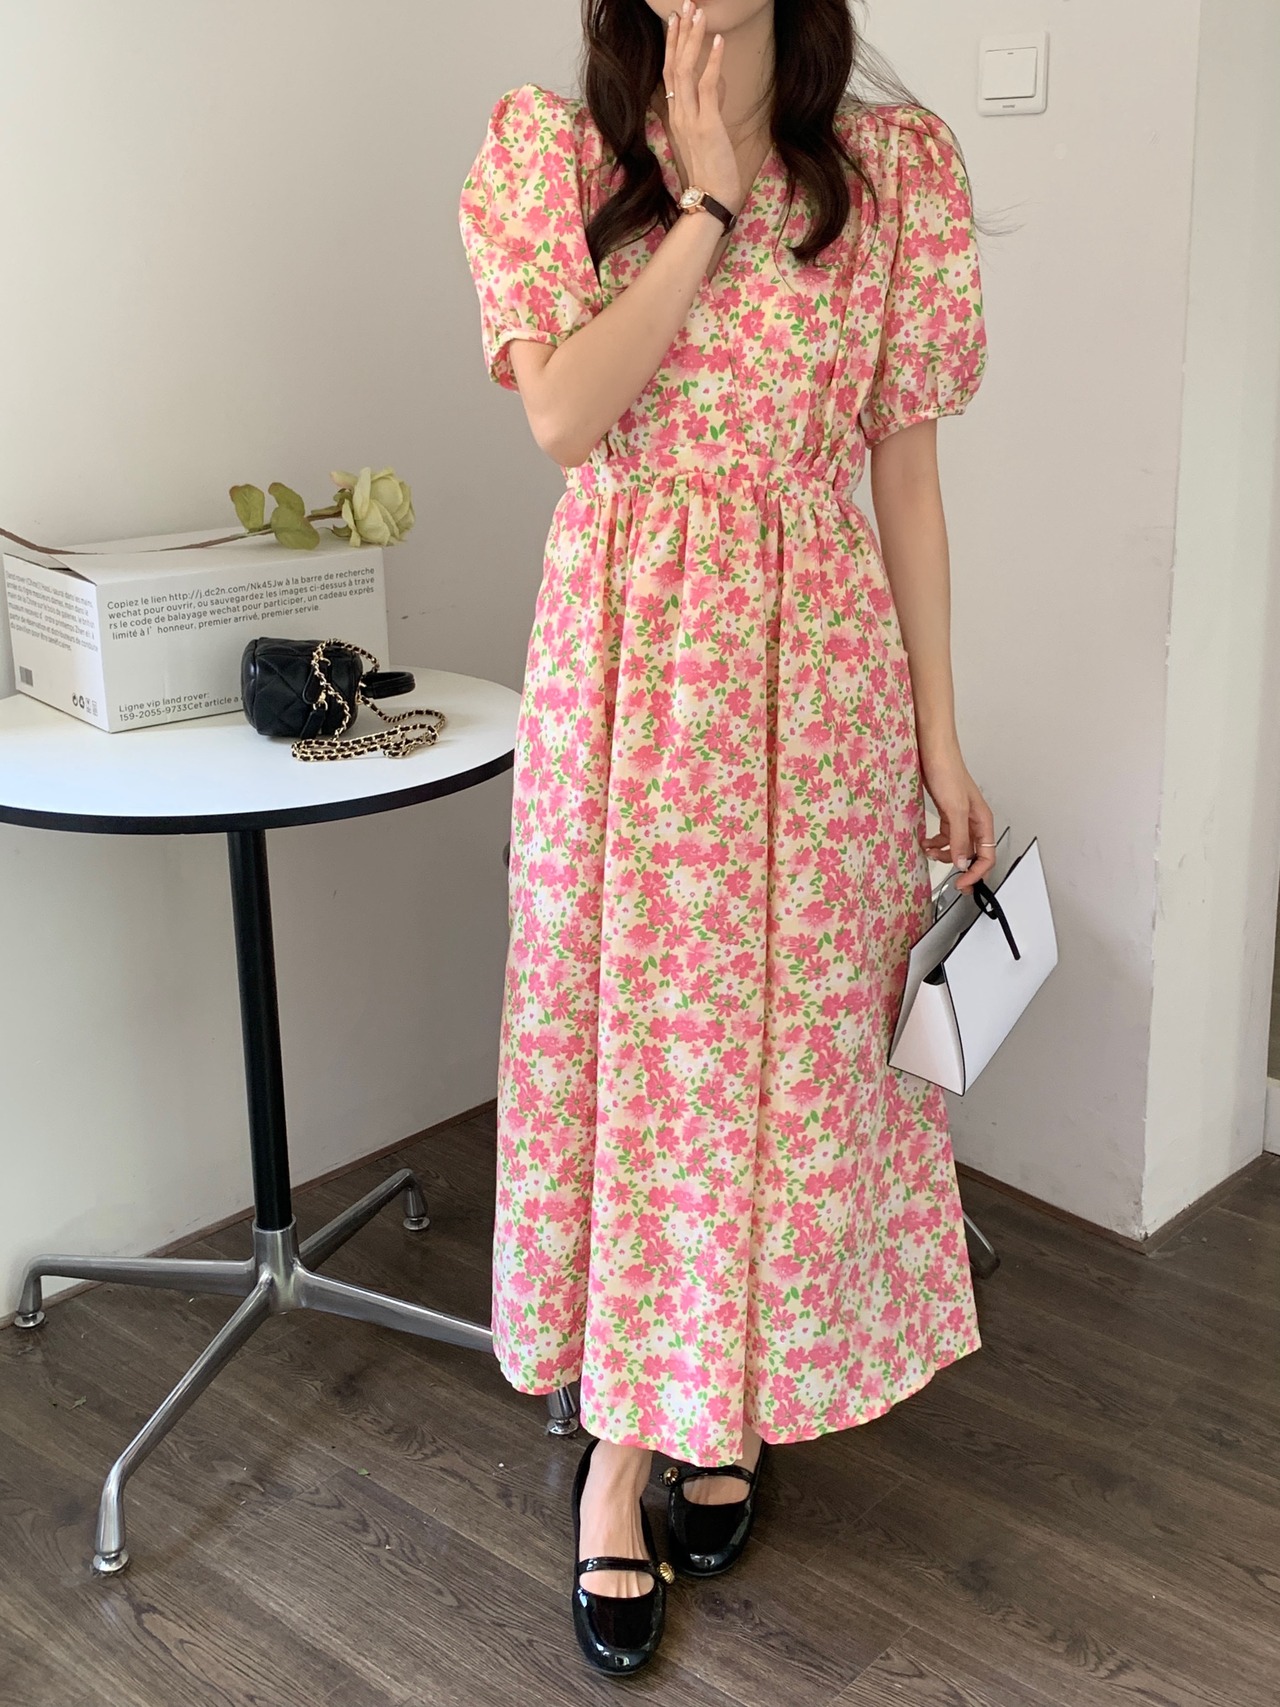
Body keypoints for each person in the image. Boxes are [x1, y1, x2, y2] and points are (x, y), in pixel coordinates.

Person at [459, 0, 996, 1677]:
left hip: (817, 683)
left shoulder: (893, 174)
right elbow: (567, 420)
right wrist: (700, 201)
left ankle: (725, 1399)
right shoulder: (550, 154)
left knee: (786, 1064)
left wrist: (941, 735)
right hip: (628, 680)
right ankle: (622, 1454)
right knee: (641, 1063)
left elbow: (907, 480)